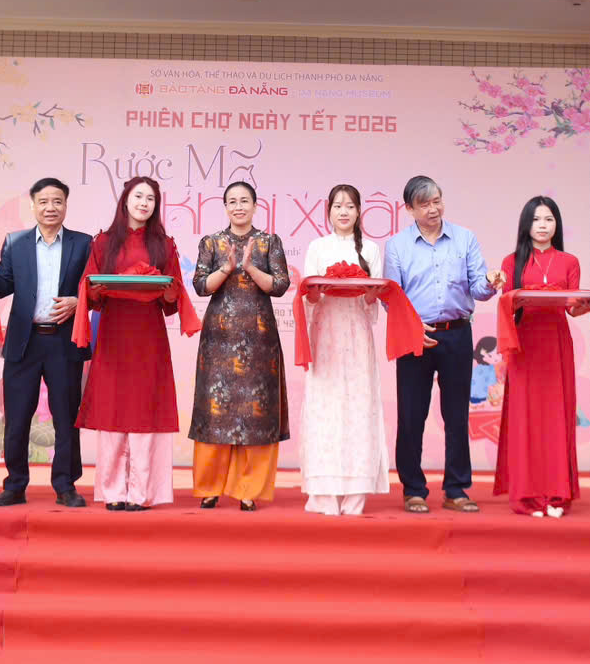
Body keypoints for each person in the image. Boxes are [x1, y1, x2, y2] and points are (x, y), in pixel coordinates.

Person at [383, 175, 504, 514]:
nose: (433, 209)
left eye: (437, 201)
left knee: (456, 414)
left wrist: (490, 282)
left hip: (457, 333)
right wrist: (410, 325)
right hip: (415, 335)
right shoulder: (397, 246)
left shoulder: (465, 238)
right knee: (411, 415)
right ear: (409, 209)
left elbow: (478, 288)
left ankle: (456, 489)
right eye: (424, 204)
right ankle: (413, 490)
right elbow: (391, 297)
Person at [76, 177, 185, 511]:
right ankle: (112, 492)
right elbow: (90, 291)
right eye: (138, 196)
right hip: (113, 332)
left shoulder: (164, 245)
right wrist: (94, 290)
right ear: (125, 200)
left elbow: (171, 299)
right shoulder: (103, 242)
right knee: (113, 405)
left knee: (145, 407)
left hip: (149, 335)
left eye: (150, 198)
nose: (144, 203)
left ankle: (142, 493)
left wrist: (171, 293)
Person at [0, 178, 91, 508]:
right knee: (17, 418)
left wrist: (79, 301)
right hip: (25, 342)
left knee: (65, 417)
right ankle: (15, 484)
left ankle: (65, 485)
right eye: (43, 201)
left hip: (64, 342)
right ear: (32, 205)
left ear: (66, 205)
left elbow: (93, 288)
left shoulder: (83, 243)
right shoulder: (15, 242)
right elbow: (3, 286)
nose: (50, 207)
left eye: (57, 201)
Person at [190, 181, 290, 511]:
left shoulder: (269, 242)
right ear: (225, 207)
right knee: (214, 412)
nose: (238, 207)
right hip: (218, 340)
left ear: (255, 206)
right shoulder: (211, 242)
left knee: (256, 414)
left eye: (244, 201)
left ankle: (249, 490)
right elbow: (201, 286)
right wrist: (226, 268)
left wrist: (249, 268)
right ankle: (210, 487)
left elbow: (280, 285)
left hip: (259, 341)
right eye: (232, 201)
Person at [298, 184, 390, 516]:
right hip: (326, 334)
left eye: (350, 206)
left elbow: (371, 302)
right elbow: (309, 298)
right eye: (337, 206)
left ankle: (355, 493)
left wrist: (369, 292)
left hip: (357, 334)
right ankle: (323, 493)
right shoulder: (317, 247)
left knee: (358, 407)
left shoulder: (372, 249)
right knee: (325, 406)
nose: (343, 212)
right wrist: (315, 291)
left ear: (359, 211)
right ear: (329, 211)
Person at [492, 196, 587, 517]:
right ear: (526, 224)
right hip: (524, 344)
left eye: (548, 219)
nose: (542, 225)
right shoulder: (511, 262)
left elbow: (573, 308)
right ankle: (527, 496)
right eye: (536, 219)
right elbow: (507, 304)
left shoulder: (569, 261)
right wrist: (506, 292)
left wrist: (585, 305)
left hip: (556, 344)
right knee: (526, 418)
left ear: (557, 224)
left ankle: (557, 495)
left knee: (557, 416)